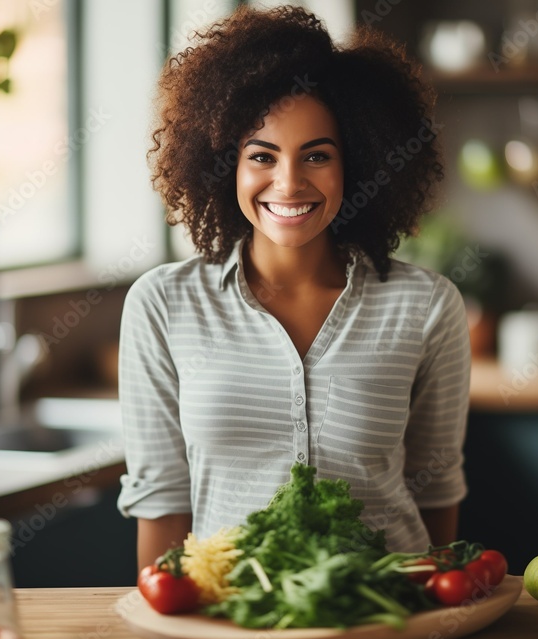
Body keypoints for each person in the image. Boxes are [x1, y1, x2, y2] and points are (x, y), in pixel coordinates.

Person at [117, 5, 471, 571]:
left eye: (317, 156)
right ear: (223, 165)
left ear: (355, 164)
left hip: (385, 617)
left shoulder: (427, 307)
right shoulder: (162, 306)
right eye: (262, 155)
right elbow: (162, 502)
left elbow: (435, 491)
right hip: (232, 625)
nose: (289, 183)